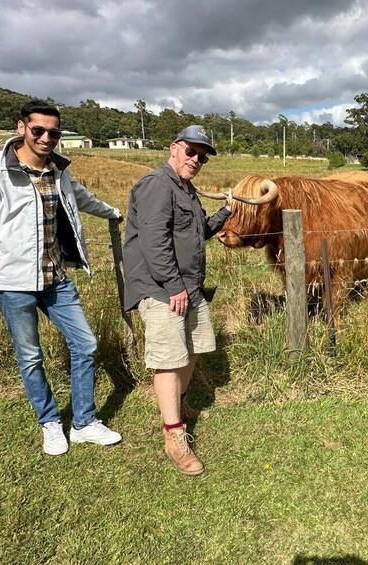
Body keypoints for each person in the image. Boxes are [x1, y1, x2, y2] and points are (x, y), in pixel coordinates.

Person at [0, 99, 123, 455]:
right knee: (30, 356)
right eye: (38, 130)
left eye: (54, 132)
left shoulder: (60, 171)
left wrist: (112, 212)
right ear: (21, 128)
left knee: (86, 344)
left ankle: (83, 423)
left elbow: (81, 198)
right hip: (12, 283)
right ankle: (49, 422)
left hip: (56, 278)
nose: (47, 138)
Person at [123, 125, 232, 476]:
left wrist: (225, 215)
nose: (197, 160)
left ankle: (179, 407)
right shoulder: (157, 184)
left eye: (202, 156)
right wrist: (173, 285)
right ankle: (174, 437)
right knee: (169, 359)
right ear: (174, 148)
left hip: (188, 286)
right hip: (163, 289)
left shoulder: (187, 189)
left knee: (193, 348)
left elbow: (198, 232)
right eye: (191, 152)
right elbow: (154, 243)